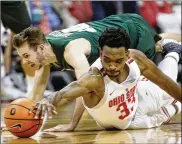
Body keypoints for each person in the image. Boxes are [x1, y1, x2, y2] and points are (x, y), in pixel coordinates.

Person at [12, 13, 181, 131]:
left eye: (26, 55)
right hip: (114, 24)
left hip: (132, 33)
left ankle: (172, 50)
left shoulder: (71, 51)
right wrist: (18, 121)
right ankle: (168, 44)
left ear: (41, 48)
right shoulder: (44, 53)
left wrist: (72, 125)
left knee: (154, 86)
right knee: (159, 39)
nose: (25, 61)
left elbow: (84, 87)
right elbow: (34, 96)